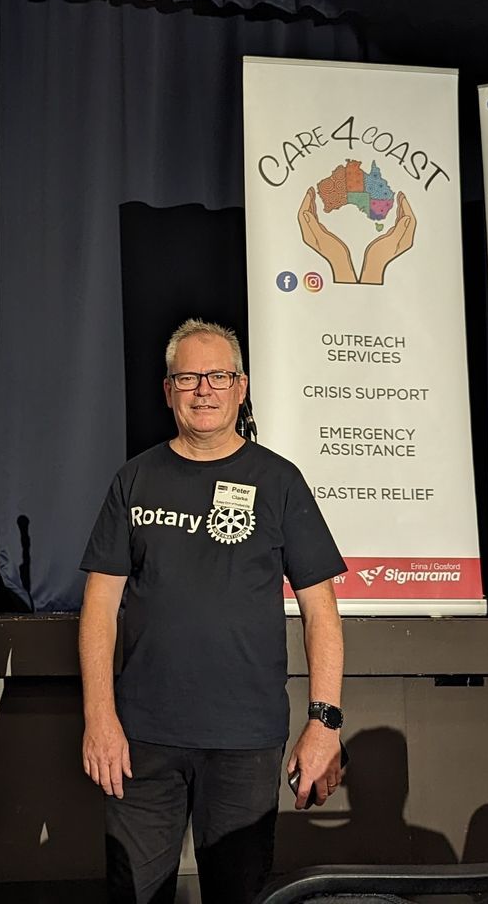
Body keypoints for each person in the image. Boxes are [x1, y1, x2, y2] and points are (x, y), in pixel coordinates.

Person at [80, 318, 347, 904]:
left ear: (241, 386)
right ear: (168, 389)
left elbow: (320, 610)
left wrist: (324, 722)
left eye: (218, 376)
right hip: (140, 741)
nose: (204, 389)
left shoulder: (279, 482)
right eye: (189, 377)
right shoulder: (136, 479)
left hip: (244, 741)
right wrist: (100, 718)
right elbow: (99, 609)